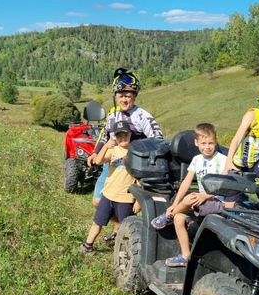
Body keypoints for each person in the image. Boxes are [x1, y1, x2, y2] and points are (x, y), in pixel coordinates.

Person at [88, 68, 163, 244]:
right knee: (98, 200)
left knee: (127, 207)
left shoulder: (143, 116)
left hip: (135, 169)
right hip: (113, 163)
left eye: (129, 95)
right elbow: (105, 136)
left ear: (134, 97)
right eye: (121, 95)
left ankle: (125, 234)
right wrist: (95, 152)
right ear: (116, 95)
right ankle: (117, 229)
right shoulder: (112, 113)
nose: (124, 98)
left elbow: (158, 141)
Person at [151, 123, 232, 267]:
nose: (207, 147)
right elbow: (186, 183)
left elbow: (223, 184)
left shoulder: (222, 160)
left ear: (216, 141)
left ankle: (167, 216)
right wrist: (175, 204)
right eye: (203, 143)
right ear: (196, 143)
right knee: (179, 218)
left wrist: (205, 196)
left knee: (190, 198)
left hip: (217, 201)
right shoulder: (197, 160)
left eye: (211, 143)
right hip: (202, 201)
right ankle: (185, 256)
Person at [82, 121, 140, 255]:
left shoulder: (136, 153)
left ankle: (125, 254)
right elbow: (97, 161)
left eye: (125, 134)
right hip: (108, 195)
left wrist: (137, 201)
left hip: (126, 198)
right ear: (115, 137)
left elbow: (139, 179)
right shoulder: (113, 151)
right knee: (97, 222)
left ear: (130, 135)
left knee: (126, 228)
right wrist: (105, 146)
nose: (122, 138)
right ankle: (87, 246)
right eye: (119, 136)